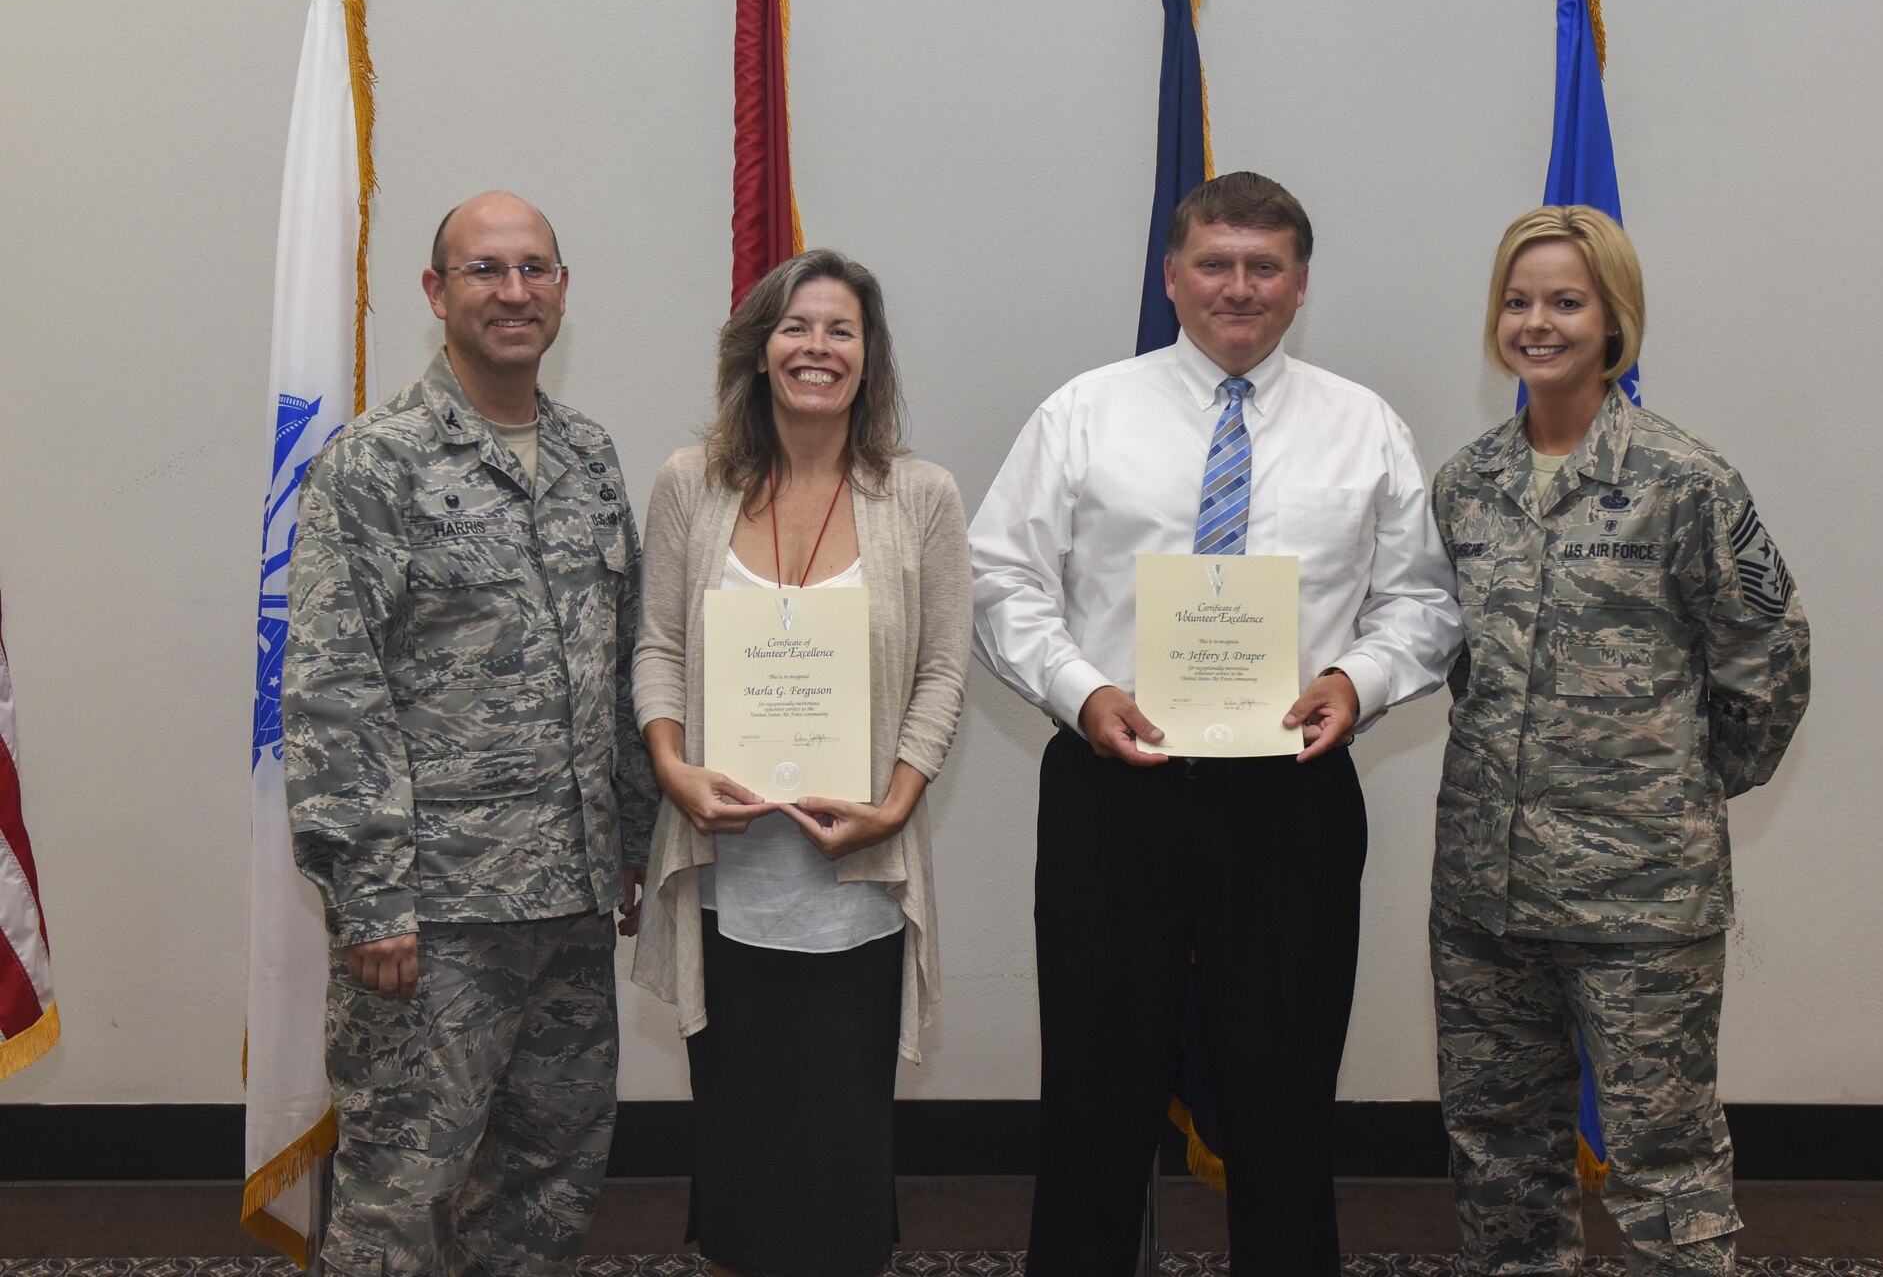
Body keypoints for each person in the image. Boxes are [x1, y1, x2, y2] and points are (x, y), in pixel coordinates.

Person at [968, 171, 1462, 1275]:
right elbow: (999, 578)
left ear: (1297, 286)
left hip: (1288, 797)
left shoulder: (1363, 427)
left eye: (1263, 266)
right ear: (1172, 277)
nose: (1236, 288)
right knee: (1096, 1092)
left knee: (1282, 1100)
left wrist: (1359, 678)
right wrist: (1078, 689)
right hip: (1116, 788)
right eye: (1214, 264)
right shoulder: (1082, 412)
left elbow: (1422, 600)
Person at [1429, 205, 1811, 1275]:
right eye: (1517, 301)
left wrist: (1671, 793)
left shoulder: (1683, 480)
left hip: (1640, 895)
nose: (1535, 323)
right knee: (1498, 1164)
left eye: (1563, 301)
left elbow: (1766, 661)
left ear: (1612, 320)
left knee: (1662, 1168)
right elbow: (1457, 663)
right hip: (1484, 897)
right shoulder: (1465, 484)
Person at [284, 191, 656, 1275]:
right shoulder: (375, 465)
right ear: (436, 293)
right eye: (485, 270)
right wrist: (370, 895)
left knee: (551, 1180)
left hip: (572, 900)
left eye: (533, 269)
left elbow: (622, 652)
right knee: (404, 1191)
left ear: (561, 292)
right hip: (432, 916)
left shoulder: (589, 458)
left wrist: (632, 837)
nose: (513, 292)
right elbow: (333, 685)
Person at [628, 248, 971, 1277]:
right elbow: (655, 649)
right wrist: (672, 768)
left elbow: (943, 673)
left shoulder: (919, 495)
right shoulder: (690, 483)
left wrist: (897, 803)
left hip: (855, 877)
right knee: (735, 1135)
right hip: (726, 877)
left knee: (840, 1143)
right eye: (795, 327)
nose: (815, 348)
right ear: (758, 348)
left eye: (839, 331)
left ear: (868, 359)